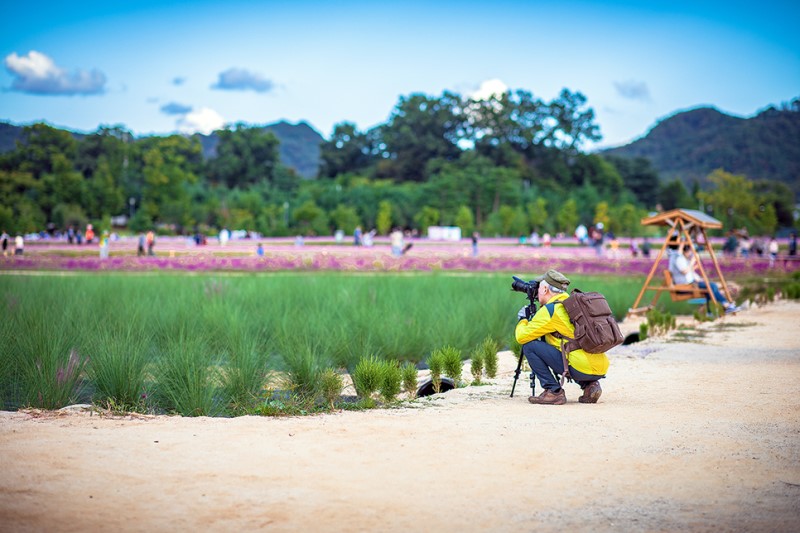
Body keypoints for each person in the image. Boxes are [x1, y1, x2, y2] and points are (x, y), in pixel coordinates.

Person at [515, 269, 609, 405]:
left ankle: (553, 392)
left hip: (580, 368)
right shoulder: (572, 303)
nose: (537, 291)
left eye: (539, 287)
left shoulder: (551, 310)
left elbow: (521, 337)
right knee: (567, 346)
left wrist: (523, 319)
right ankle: (590, 386)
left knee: (530, 346)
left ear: (546, 289)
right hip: (600, 367)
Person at [670, 242, 740, 313]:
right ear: (685, 251)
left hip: (692, 283)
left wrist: (699, 278)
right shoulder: (679, 259)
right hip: (687, 285)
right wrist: (693, 261)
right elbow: (684, 271)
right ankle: (726, 305)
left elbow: (689, 273)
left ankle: (720, 308)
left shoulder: (683, 259)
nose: (690, 253)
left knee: (712, 288)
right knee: (712, 286)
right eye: (690, 251)